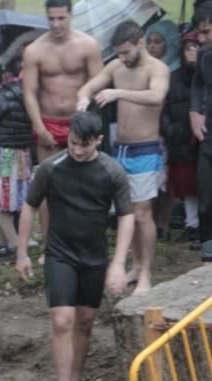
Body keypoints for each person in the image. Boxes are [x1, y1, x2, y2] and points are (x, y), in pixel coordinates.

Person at [14, 112, 134, 381]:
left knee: (85, 321)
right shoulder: (51, 168)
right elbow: (29, 206)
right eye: (72, 143)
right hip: (59, 253)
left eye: (83, 145)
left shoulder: (112, 171)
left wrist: (119, 263)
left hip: (94, 255)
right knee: (62, 319)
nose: (76, 150)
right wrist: (23, 252)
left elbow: (126, 216)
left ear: (98, 141)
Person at [77, 20, 169, 295]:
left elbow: (156, 96)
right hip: (121, 149)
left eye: (126, 52)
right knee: (125, 213)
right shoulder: (116, 66)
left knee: (142, 214)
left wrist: (119, 93)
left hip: (146, 148)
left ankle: (146, 273)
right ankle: (136, 265)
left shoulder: (157, 68)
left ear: (140, 43)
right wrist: (83, 100)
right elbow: (88, 87)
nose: (122, 58)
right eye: (118, 53)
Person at [23, 0, 103, 160]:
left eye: (61, 18)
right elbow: (29, 92)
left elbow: (98, 82)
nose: (56, 24)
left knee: (81, 179)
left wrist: (86, 99)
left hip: (79, 121)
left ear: (71, 16)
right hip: (48, 123)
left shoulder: (88, 45)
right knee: (50, 177)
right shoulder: (34, 50)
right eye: (51, 19)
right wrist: (39, 128)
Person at [0, 55, 35, 256]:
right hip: (21, 152)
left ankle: (14, 243)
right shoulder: (34, 95)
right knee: (12, 199)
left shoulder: (5, 93)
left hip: (1, 152)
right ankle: (5, 241)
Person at [162, 31, 200, 242]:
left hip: (201, 138)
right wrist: (169, 129)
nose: (192, 52)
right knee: (186, 183)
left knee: (202, 183)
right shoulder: (173, 77)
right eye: (188, 48)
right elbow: (165, 107)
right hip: (179, 137)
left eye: (196, 47)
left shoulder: (206, 73)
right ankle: (192, 223)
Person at [189, 2, 212, 262]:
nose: (202, 40)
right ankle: (208, 252)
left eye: (207, 32)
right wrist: (194, 110)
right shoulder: (206, 56)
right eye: (200, 34)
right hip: (208, 139)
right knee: (205, 198)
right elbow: (196, 83)